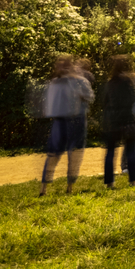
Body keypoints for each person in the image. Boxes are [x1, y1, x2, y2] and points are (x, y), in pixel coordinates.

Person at [39, 57, 94, 194]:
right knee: (74, 154)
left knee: (54, 154)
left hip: (59, 120)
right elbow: (90, 97)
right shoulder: (79, 81)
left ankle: (44, 188)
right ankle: (69, 188)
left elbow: (50, 104)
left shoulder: (55, 82)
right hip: (76, 119)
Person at [102, 55, 135, 189]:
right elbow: (133, 98)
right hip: (127, 119)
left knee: (110, 152)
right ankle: (133, 180)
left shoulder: (110, 83)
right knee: (130, 150)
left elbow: (105, 102)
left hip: (113, 120)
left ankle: (109, 182)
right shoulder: (128, 81)